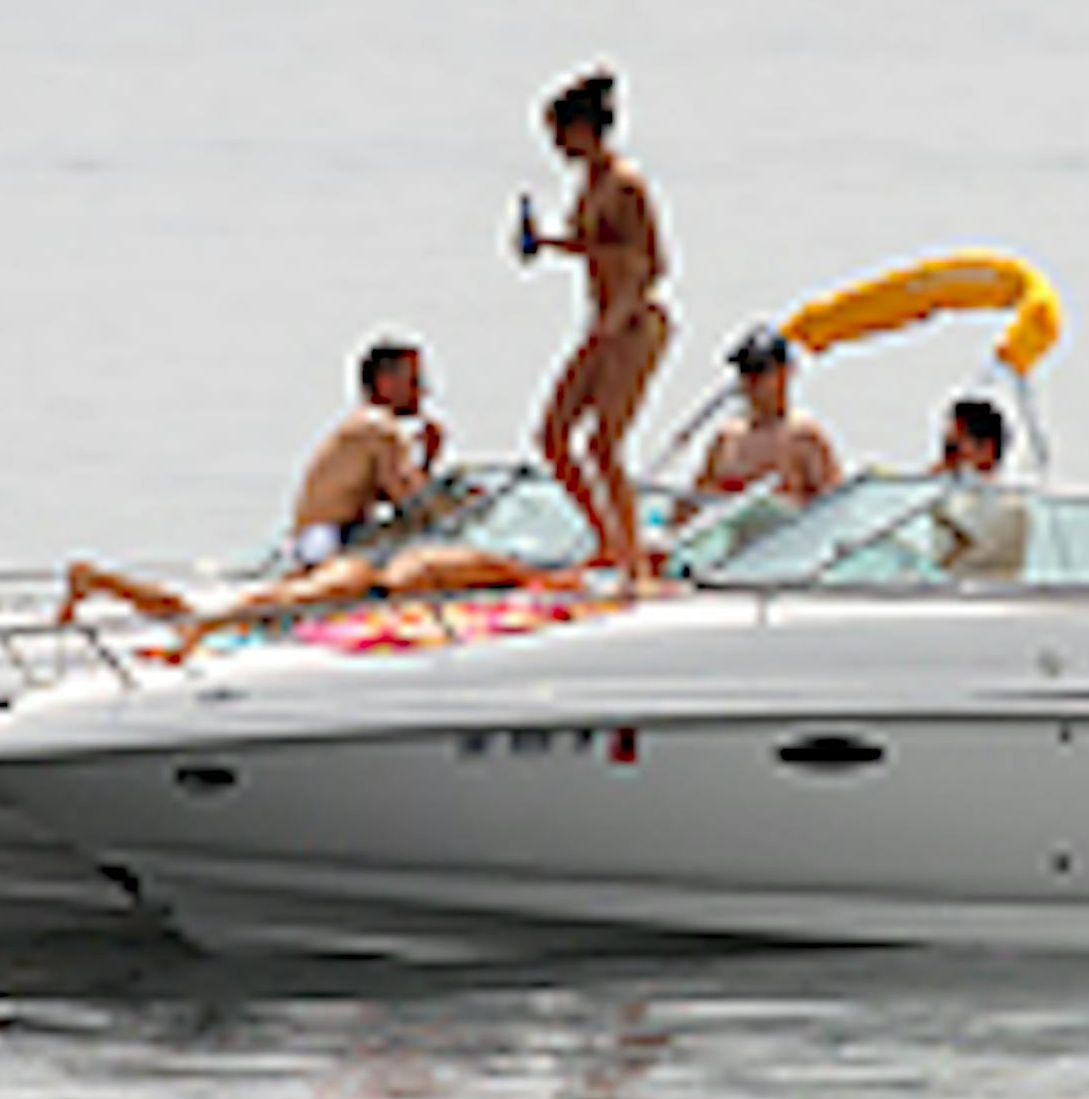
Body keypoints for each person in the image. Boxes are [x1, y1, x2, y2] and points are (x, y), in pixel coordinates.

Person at [523, 68, 673, 584]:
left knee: (604, 444)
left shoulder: (625, 184)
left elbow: (651, 261)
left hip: (632, 323)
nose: (556, 146)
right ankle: (607, 538)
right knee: (553, 435)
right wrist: (548, 244)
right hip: (601, 323)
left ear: (585, 128)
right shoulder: (589, 185)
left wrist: (620, 315)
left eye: (561, 133)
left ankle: (633, 566)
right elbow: (598, 246)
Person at [55, 545, 584, 665]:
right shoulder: (513, 573)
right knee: (255, 606)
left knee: (242, 605)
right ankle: (185, 634)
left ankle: (104, 582)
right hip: (367, 586)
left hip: (363, 578)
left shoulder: (492, 565)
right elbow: (532, 585)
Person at [288, 339, 445, 569]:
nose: (423, 392)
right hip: (328, 536)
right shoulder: (379, 428)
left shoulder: (363, 424)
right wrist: (432, 460)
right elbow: (410, 500)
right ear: (385, 383)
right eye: (414, 381)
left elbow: (390, 493)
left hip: (324, 533)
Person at [692, 326, 842, 508]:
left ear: (785, 372)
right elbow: (692, 506)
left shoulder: (804, 437)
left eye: (760, 369)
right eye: (744, 370)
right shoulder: (725, 439)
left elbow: (835, 506)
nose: (751, 380)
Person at [931, 397, 1029, 580]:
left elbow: (965, 546)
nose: (946, 459)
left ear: (986, 449)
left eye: (953, 448)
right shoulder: (954, 498)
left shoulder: (1008, 504)